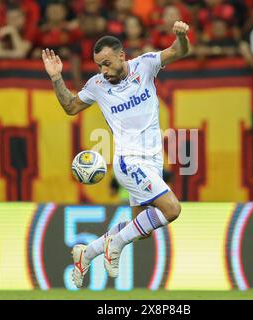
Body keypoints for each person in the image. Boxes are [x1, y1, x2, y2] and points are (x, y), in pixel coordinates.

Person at [41, 20, 190, 288]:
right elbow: (70, 107)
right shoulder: (97, 85)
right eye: (99, 65)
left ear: (122, 56)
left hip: (153, 160)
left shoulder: (145, 65)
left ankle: (87, 253)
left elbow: (178, 51)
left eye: (107, 63)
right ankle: (115, 244)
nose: (103, 70)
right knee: (171, 209)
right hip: (128, 160)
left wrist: (182, 36)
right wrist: (56, 77)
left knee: (141, 228)